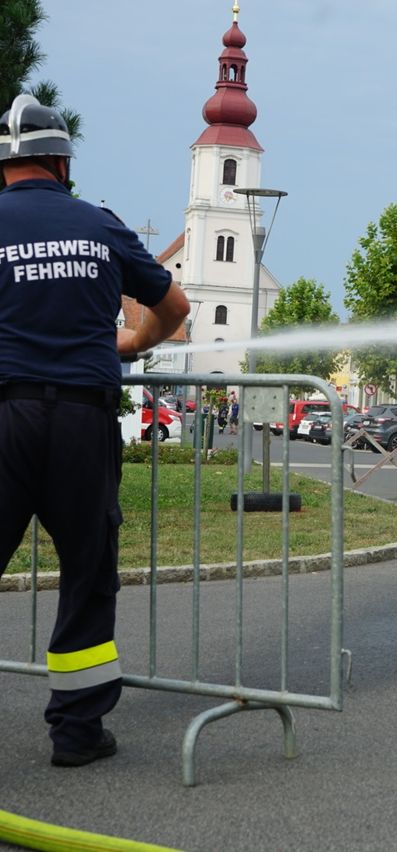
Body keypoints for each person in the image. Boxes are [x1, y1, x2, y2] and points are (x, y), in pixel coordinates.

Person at [0, 95, 190, 767]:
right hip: (82, 421)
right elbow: (174, 306)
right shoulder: (98, 224)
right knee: (86, 572)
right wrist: (131, 342)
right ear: (61, 161)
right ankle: (77, 733)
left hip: (5, 417)